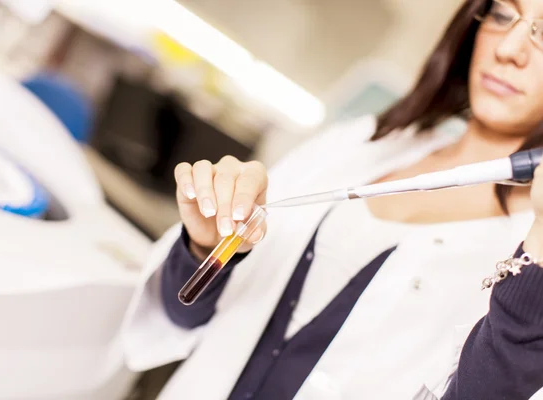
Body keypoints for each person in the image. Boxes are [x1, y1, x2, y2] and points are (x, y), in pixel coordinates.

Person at [121, 0, 543, 398]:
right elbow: (180, 314)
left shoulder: (532, 250)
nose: (508, 49)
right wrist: (204, 248)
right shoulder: (361, 144)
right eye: (503, 14)